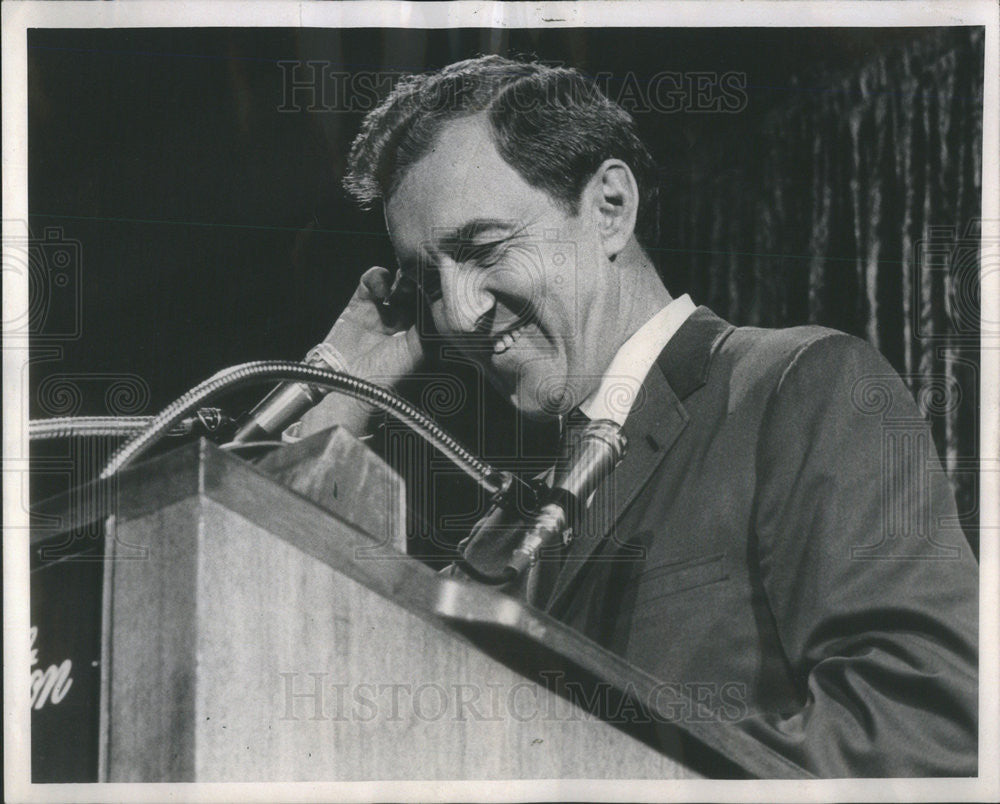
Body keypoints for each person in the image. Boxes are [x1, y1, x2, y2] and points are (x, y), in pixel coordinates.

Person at [296, 55, 978, 777]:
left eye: (485, 248)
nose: (461, 313)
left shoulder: (799, 388)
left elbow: (929, 724)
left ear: (610, 208)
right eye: (430, 282)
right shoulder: (498, 541)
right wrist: (340, 389)